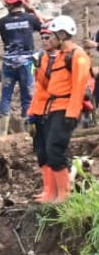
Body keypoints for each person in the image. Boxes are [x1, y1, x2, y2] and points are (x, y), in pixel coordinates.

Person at [27, 16, 91, 204]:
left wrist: (72, 114)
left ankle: (64, 194)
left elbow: (79, 87)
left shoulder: (77, 56)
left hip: (65, 108)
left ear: (62, 35)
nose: (48, 39)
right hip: (51, 107)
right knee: (45, 149)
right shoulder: (57, 56)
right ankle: (50, 192)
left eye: (51, 36)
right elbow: (46, 86)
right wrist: (38, 68)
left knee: (55, 148)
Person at [0, 0, 43, 136]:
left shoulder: (2, 22)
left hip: (8, 64)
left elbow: (5, 39)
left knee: (6, 96)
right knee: (28, 96)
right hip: (27, 64)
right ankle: (28, 132)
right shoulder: (30, 19)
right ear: (22, 2)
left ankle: (2, 132)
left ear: (8, 3)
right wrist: (32, 10)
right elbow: (44, 26)